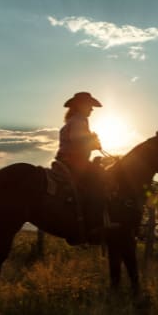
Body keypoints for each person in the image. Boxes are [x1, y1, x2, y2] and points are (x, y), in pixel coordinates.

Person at [55, 91, 109, 236]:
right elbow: (77, 140)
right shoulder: (80, 120)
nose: (91, 109)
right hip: (75, 161)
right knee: (100, 183)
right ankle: (93, 225)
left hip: (66, 160)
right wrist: (92, 143)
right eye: (89, 105)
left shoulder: (72, 120)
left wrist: (91, 141)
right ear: (80, 106)